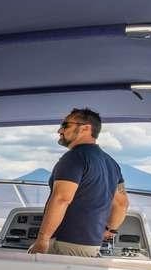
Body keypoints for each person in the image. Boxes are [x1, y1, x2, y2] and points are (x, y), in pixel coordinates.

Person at [27, 108, 129, 258]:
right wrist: (111, 230)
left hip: (64, 244)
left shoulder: (74, 157)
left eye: (66, 125)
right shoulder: (111, 163)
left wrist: (42, 240)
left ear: (86, 128)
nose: (59, 130)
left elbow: (62, 199)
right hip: (91, 247)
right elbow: (122, 204)